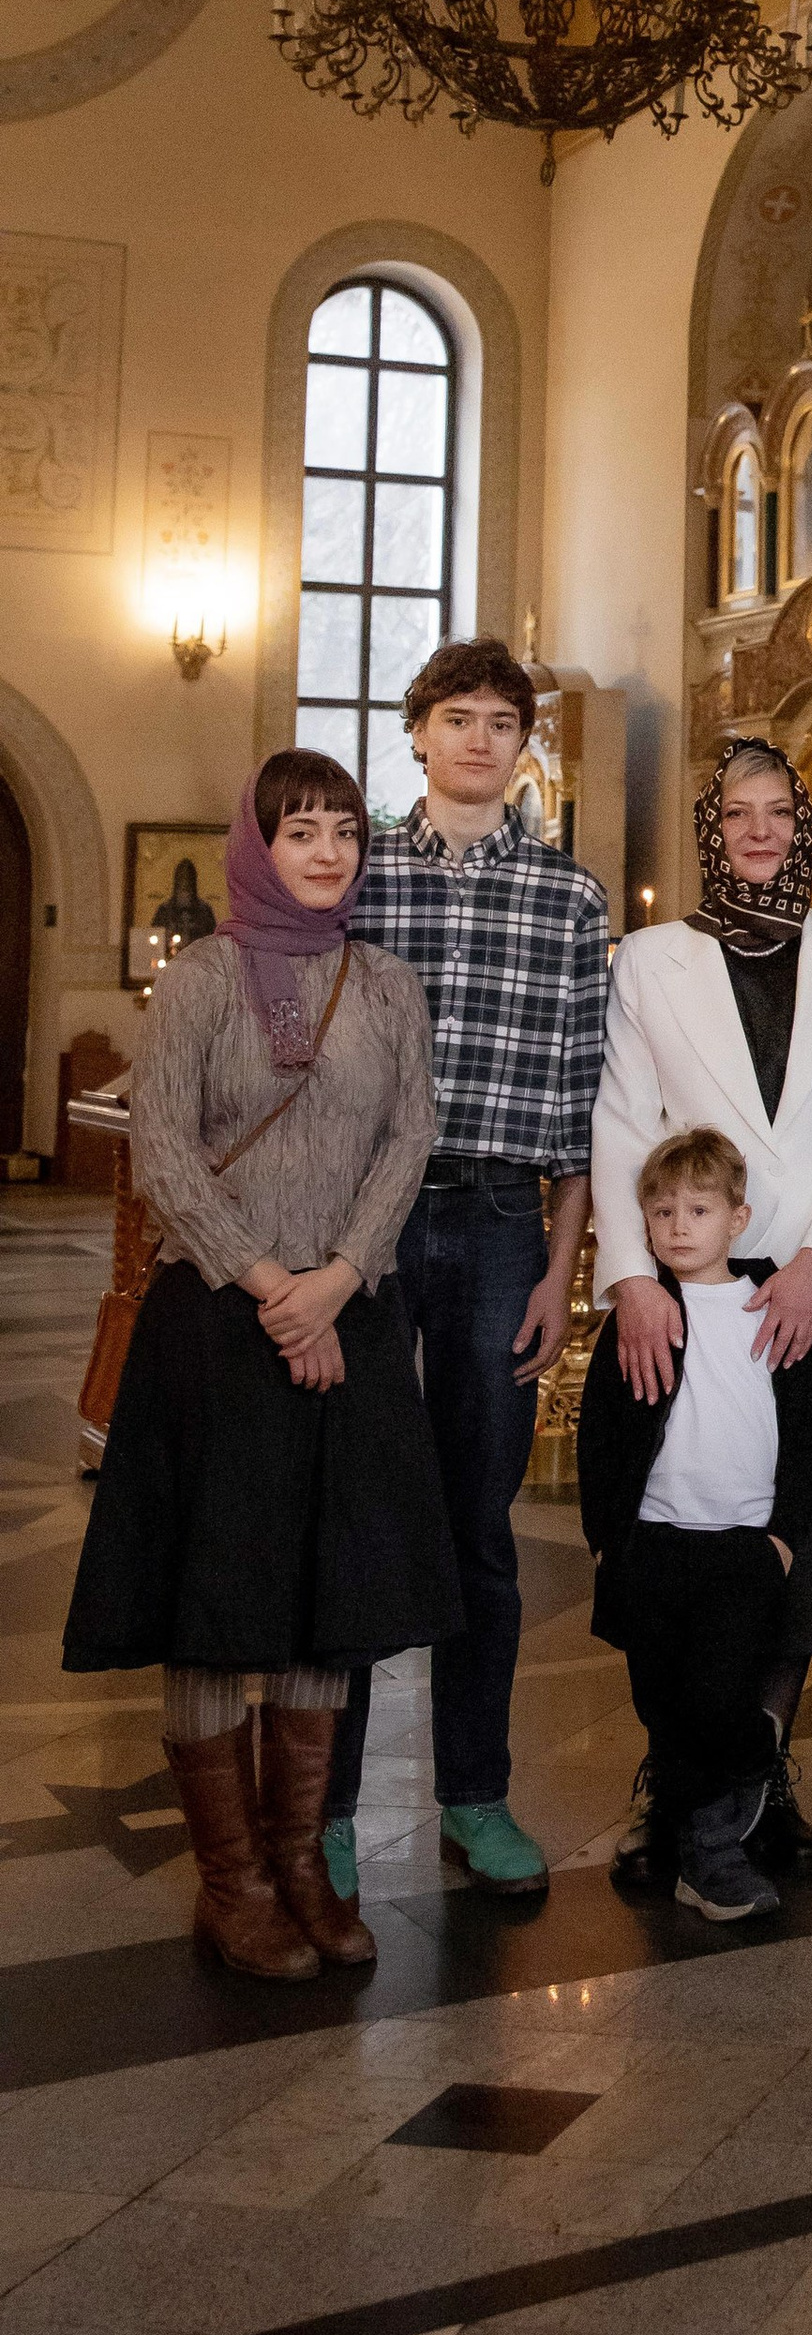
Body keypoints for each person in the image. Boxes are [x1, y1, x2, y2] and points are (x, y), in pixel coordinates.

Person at [64, 754, 456, 1979]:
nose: (328, 851)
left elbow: (412, 1137)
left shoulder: (386, 984)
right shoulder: (201, 982)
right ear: (258, 844)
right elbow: (165, 1152)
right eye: (301, 831)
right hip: (219, 1332)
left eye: (345, 830)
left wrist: (338, 1276)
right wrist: (273, 1286)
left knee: (318, 1597)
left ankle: (299, 1864)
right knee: (213, 1603)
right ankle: (228, 1884)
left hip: (351, 1315)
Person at [324, 638, 609, 1903]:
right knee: (357, 1505)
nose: (481, 739)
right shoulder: (359, 877)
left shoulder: (568, 897)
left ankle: (476, 1792)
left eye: (503, 721)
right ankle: (327, 1804)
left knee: (479, 1524)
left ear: (525, 742)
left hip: (501, 1223)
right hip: (370, 1230)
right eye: (457, 718)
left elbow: (576, 1105)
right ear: (418, 733)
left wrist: (560, 1274)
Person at [588, 738, 812, 1891]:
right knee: (678, 1563)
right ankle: (678, 1787)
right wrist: (629, 1279)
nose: (759, 833)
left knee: (794, 1562)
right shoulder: (651, 960)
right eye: (738, 816)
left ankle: (759, 1785)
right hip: (688, 1300)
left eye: (779, 815)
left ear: (806, 831)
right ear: (709, 832)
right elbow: (623, 1122)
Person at [578, 1129, 812, 1925]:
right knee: (663, 1708)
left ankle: (718, 1847)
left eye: (698, 1209)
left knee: (718, 1696)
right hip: (651, 1544)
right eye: (661, 1212)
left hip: (741, 1550)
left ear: (738, 1217)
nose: (678, 1226)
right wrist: (604, 1538)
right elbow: (601, 1432)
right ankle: (703, 1843)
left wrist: (783, 1539)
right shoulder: (643, 1314)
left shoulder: (772, 1307)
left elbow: (809, 1432)